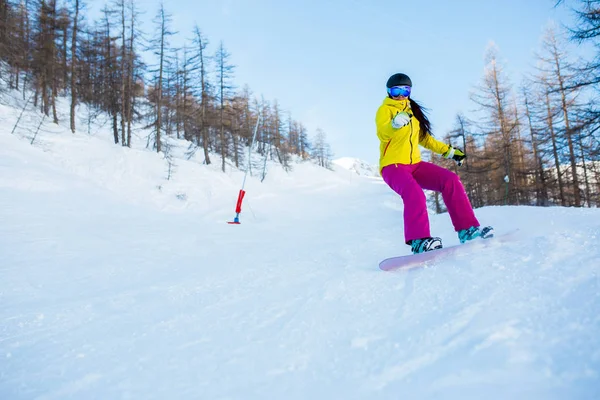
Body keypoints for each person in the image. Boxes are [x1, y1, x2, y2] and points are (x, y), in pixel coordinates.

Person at [376, 72, 493, 254]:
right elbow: (383, 133)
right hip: (393, 167)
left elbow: (426, 140)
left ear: (410, 92)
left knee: (450, 180)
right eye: (395, 90)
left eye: (405, 91)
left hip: (415, 165)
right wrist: (394, 125)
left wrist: (450, 152)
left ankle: (467, 230)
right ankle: (419, 241)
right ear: (388, 91)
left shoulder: (412, 113)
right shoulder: (385, 110)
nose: (400, 95)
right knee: (414, 193)